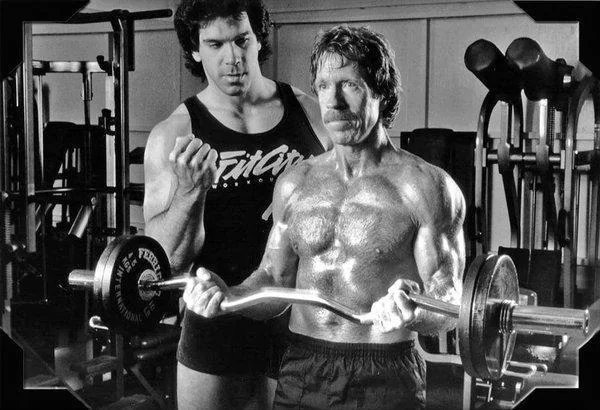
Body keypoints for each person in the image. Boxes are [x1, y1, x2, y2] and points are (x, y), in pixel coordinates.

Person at [184, 24, 466, 410]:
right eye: (322, 87)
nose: (333, 102)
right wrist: (229, 296)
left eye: (349, 84)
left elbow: (449, 301)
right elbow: (274, 280)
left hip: (383, 373)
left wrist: (416, 306)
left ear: (381, 92)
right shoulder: (294, 183)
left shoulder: (427, 188)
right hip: (303, 366)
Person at [142, 0, 331, 408]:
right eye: (215, 44)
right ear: (194, 49)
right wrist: (191, 191)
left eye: (241, 40)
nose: (233, 59)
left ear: (258, 36)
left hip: (302, 318)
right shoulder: (174, 133)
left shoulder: (311, 113)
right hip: (217, 316)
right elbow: (164, 261)